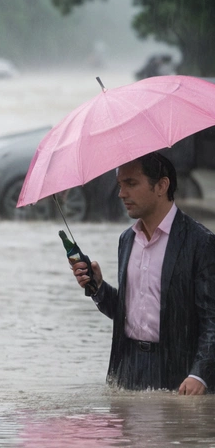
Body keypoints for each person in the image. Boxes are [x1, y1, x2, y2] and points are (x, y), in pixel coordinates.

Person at [72, 152, 215, 394]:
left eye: (131, 183)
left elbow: (212, 319)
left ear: (161, 185)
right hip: (129, 371)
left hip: (179, 375)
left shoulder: (200, 242)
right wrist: (98, 288)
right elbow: (130, 313)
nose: (121, 194)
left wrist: (199, 374)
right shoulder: (127, 240)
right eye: (120, 184)